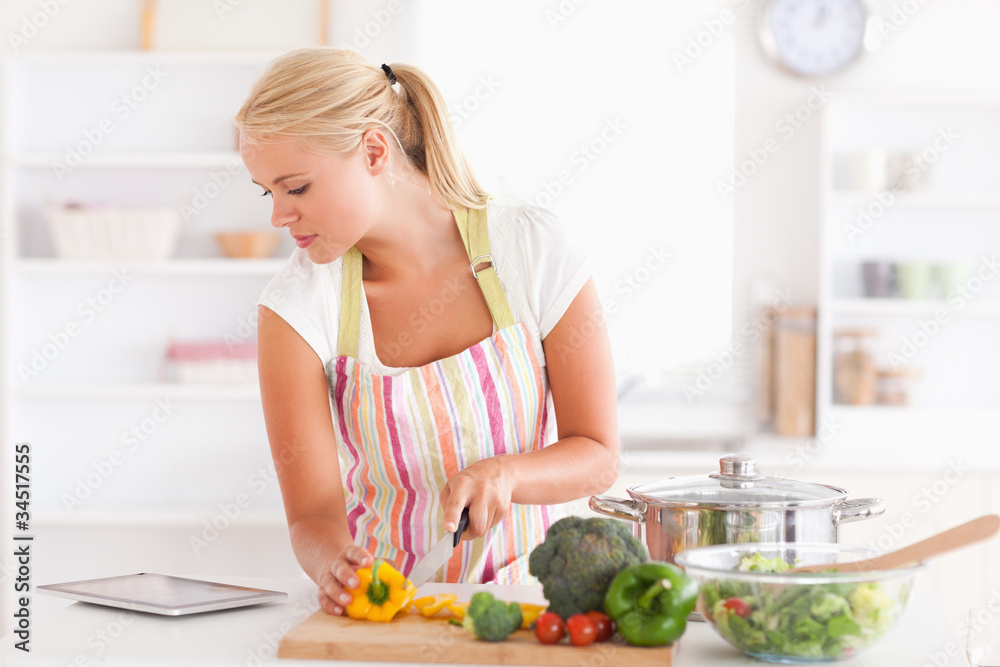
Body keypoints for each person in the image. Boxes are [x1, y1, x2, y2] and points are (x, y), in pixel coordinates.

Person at [234, 47, 619, 617]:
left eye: (296, 188)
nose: (278, 217)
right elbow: (312, 517)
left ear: (372, 150)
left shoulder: (531, 251)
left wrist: (505, 472)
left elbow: (598, 456)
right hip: (395, 612)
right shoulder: (297, 308)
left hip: (537, 608)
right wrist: (336, 565)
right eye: (268, 192)